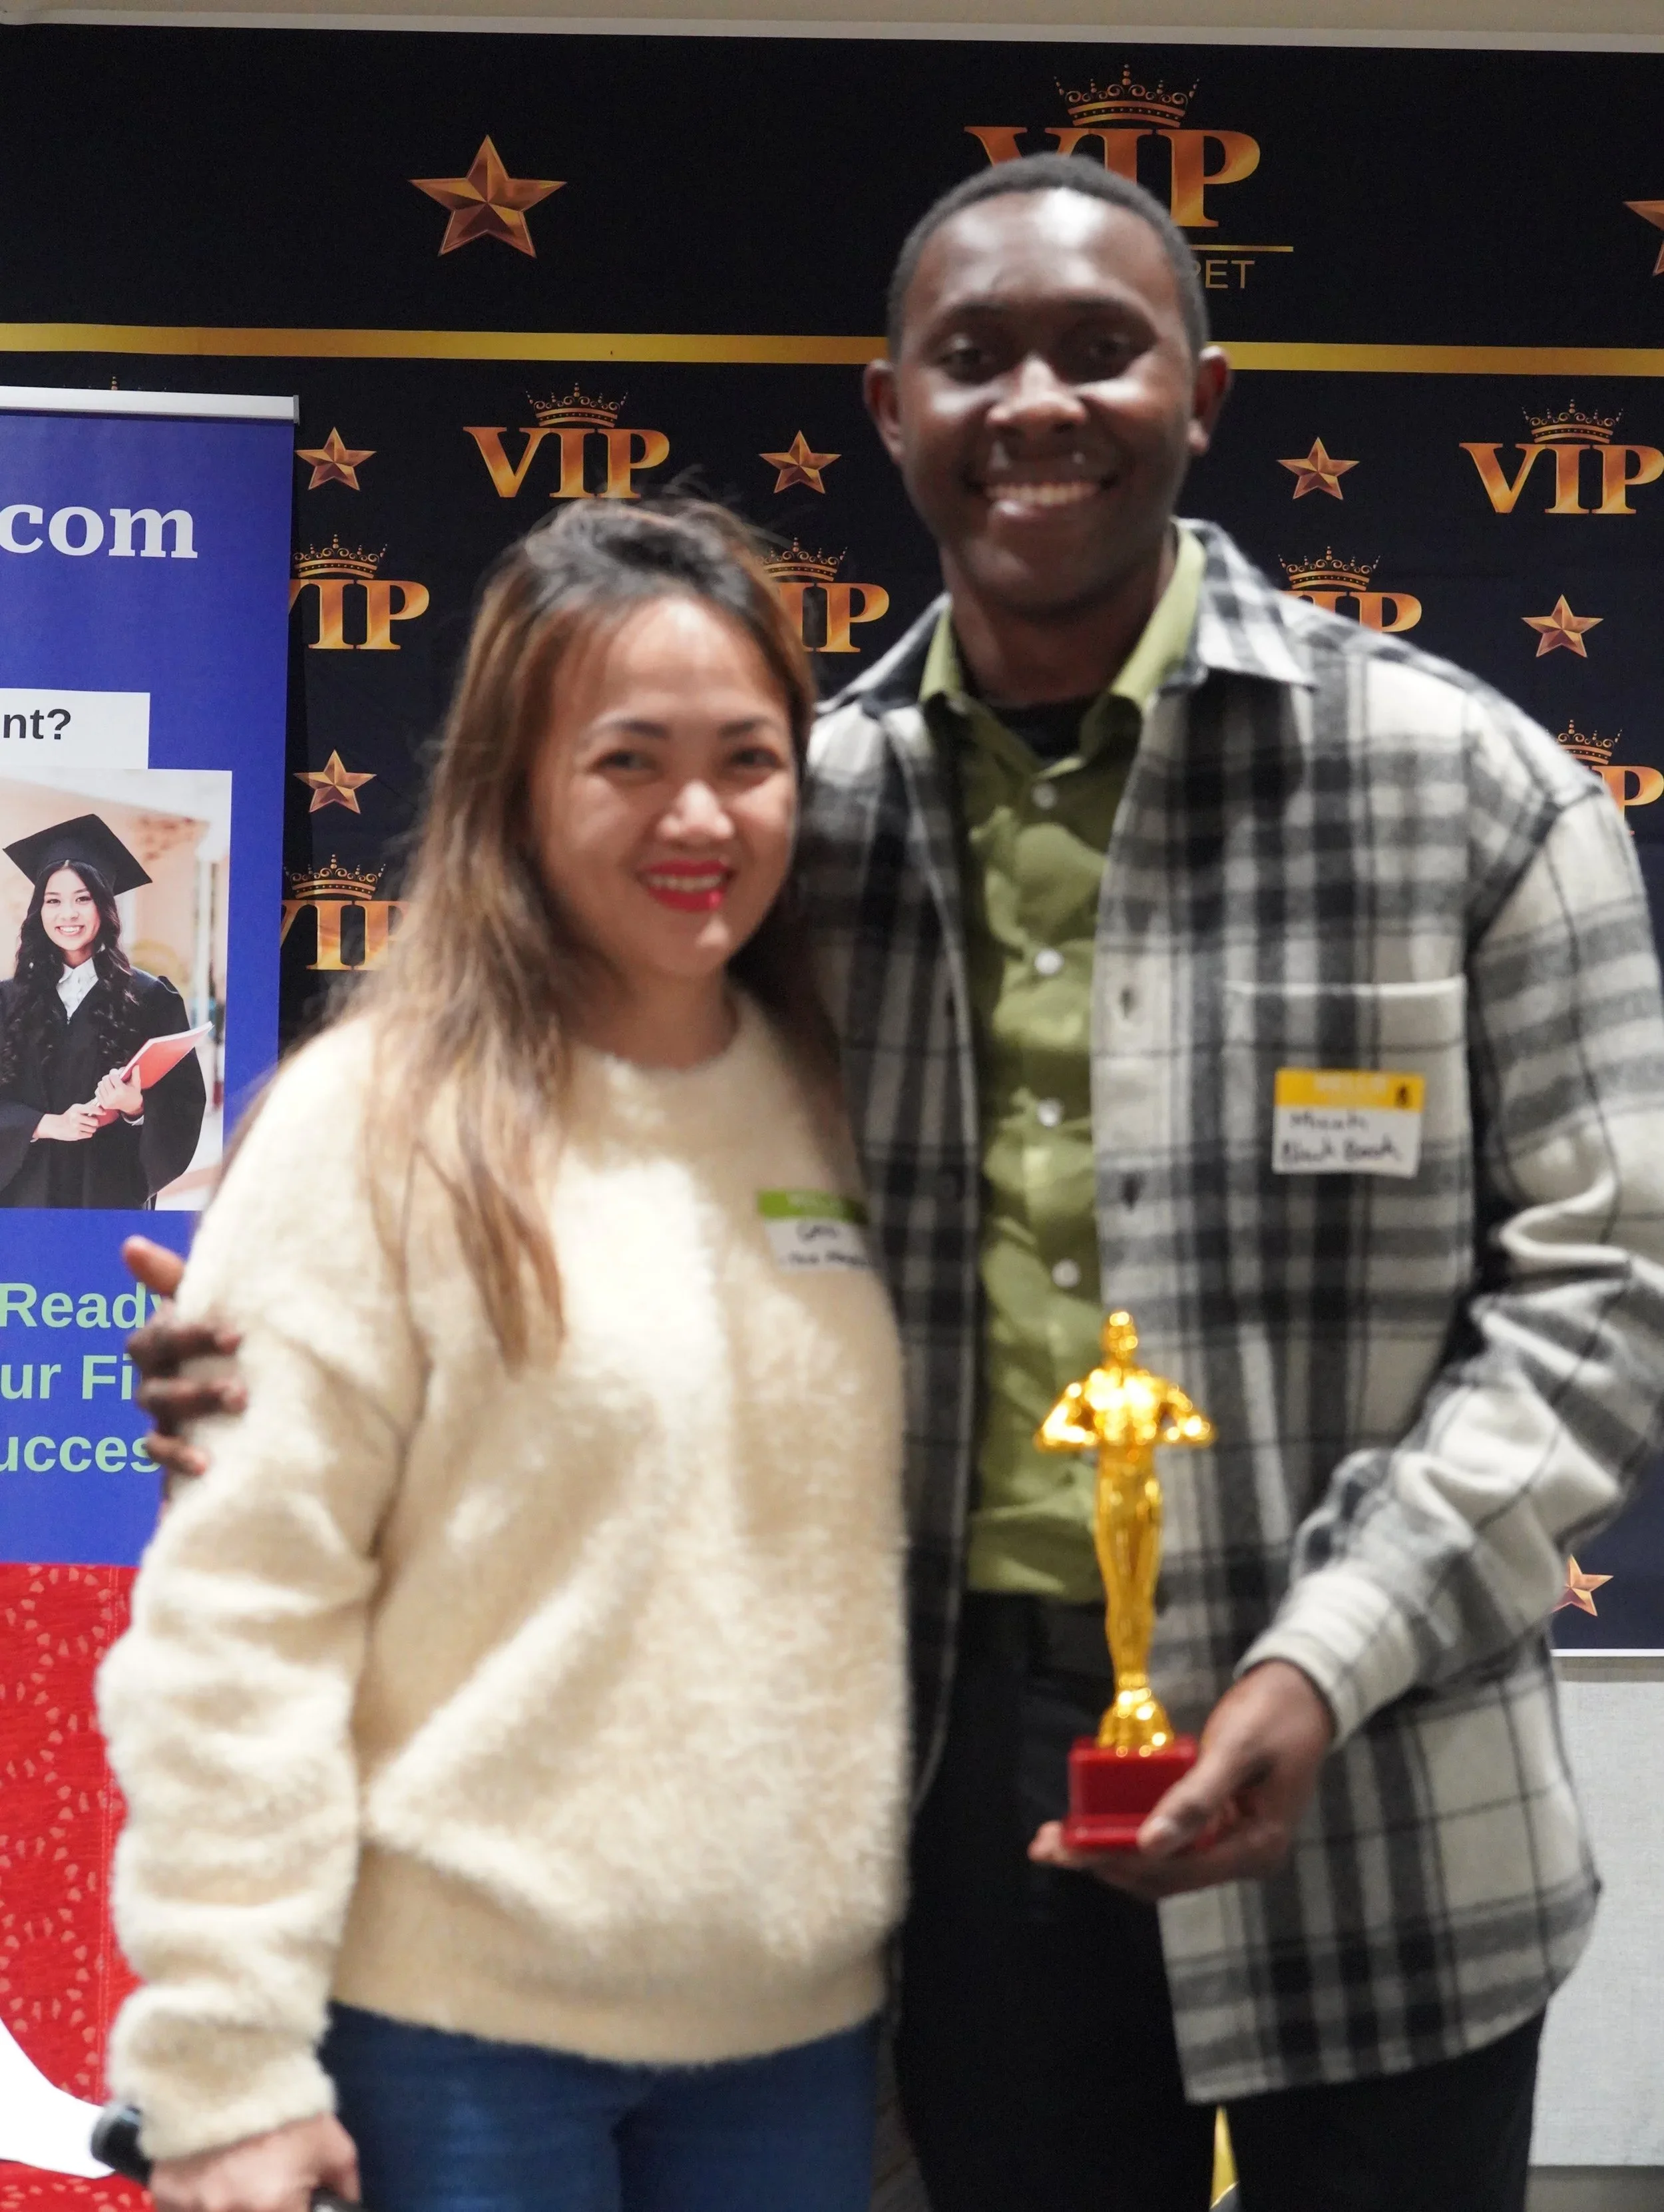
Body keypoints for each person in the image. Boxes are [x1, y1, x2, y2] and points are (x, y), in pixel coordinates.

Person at [124, 156, 1664, 2212]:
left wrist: (1319, 1654)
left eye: (1099, 350)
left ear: (1203, 394)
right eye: (974, 357)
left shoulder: (1465, 788)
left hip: (1379, 1787)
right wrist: (273, 1340)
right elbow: (547, 1109)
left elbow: (1605, 1287)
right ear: (890, 409)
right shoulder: (797, 819)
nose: (1036, 402)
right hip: (951, 1820)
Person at [99, 500, 909, 2212]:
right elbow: (240, 1619)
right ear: (516, 786)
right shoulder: (376, 1125)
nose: (699, 815)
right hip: (452, 2040)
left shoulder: (857, 1103)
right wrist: (226, 2060)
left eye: (749, 758)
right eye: (629, 758)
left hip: (797, 2045)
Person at [0, 815, 206, 1208]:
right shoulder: (7, 1001)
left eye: (83, 899)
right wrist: (45, 1125)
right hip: (23, 1200)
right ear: (38, 911)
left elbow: (183, 1102)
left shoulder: (150, 998)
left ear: (105, 906)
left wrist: (136, 1107)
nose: (68, 915)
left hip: (109, 1193)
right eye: (53, 901)